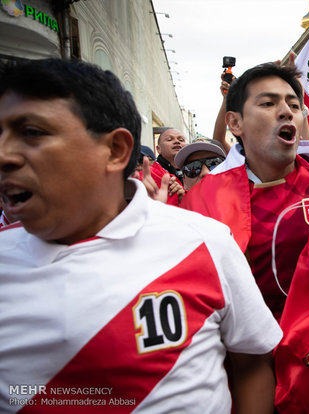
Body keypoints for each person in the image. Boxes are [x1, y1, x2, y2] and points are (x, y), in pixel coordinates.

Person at [0, 58, 282, 414]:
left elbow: (253, 363)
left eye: (32, 133)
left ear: (116, 149)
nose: (4, 155)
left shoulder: (204, 242)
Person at [181, 62, 309, 413]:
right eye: (268, 103)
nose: (285, 112)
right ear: (235, 124)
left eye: (294, 105)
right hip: (245, 362)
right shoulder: (204, 199)